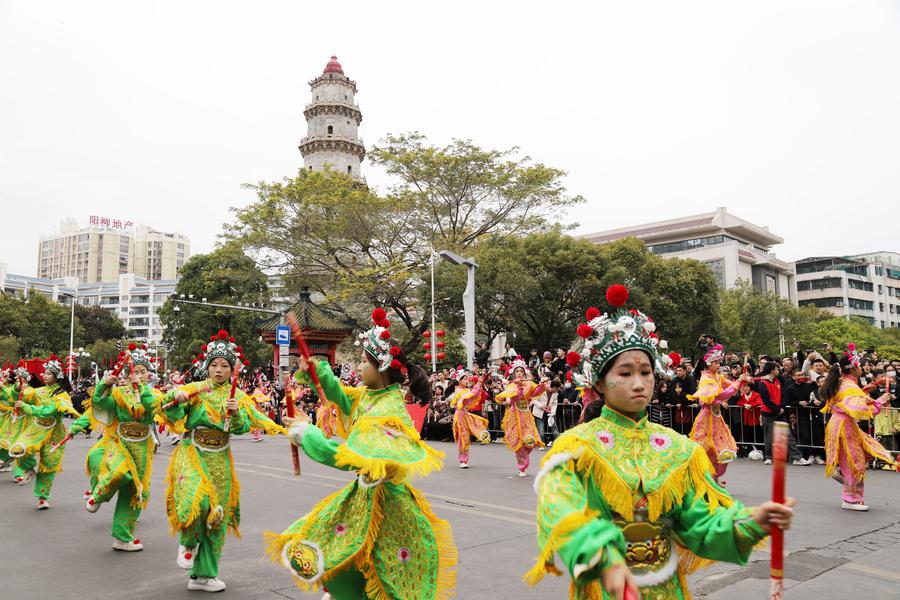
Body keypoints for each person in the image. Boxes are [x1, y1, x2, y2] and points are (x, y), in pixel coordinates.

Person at [526, 284, 795, 600]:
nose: (639, 383)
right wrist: (603, 558)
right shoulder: (575, 447)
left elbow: (698, 523)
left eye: (646, 372)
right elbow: (560, 508)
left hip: (668, 589)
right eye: (625, 374)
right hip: (606, 587)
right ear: (599, 381)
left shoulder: (678, 448)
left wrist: (752, 521)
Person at [267, 308, 456, 599]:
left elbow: (355, 455)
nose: (357, 367)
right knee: (332, 546)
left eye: (363, 362)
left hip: (387, 503)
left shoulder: (389, 412)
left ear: (380, 367)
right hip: (363, 495)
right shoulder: (371, 396)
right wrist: (317, 371)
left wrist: (308, 434)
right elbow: (342, 397)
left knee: (382, 569)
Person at [161, 330, 284, 592]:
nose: (219, 370)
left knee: (218, 516)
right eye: (214, 365)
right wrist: (176, 399)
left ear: (232, 369)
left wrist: (237, 415)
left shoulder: (238, 396)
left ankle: (203, 575)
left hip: (221, 458)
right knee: (198, 500)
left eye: (224, 365)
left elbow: (247, 426)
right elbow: (167, 411)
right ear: (207, 367)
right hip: (192, 451)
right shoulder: (195, 389)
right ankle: (189, 541)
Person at [79, 343, 163, 551]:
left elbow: (158, 408)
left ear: (149, 375)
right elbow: (99, 404)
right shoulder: (117, 394)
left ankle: (122, 537)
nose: (140, 375)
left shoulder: (153, 394)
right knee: (121, 473)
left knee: (134, 490)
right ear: (126, 374)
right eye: (136, 371)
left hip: (142, 449)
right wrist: (104, 386)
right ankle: (99, 493)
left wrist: (142, 391)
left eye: (144, 372)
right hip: (119, 443)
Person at [819, 344, 898, 511]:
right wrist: (880, 401)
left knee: (862, 454)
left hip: (840, 424)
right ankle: (851, 499)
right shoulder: (849, 386)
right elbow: (858, 409)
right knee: (855, 462)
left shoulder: (845, 383)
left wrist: (865, 391)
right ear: (854, 368)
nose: (862, 368)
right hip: (844, 426)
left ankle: (842, 475)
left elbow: (847, 402)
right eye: (860, 366)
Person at [4, 355, 79, 509]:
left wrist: (27, 407)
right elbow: (19, 396)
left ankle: (42, 497)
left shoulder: (62, 394)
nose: (44, 375)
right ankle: (29, 469)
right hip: (36, 428)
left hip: (54, 431)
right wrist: (18, 389)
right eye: (44, 373)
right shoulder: (39, 391)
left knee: (48, 466)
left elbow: (49, 411)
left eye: (48, 373)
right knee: (18, 448)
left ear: (57, 376)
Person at [688, 344, 742, 482]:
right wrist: (737, 385)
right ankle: (705, 478)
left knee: (722, 449)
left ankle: (713, 477)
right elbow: (718, 397)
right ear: (708, 364)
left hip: (717, 418)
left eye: (719, 362)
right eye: (716, 363)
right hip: (707, 418)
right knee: (706, 449)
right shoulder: (706, 379)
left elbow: (730, 384)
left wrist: (742, 380)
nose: (719, 365)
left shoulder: (717, 377)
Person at [495, 358, 548, 477]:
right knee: (517, 441)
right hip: (514, 415)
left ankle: (523, 455)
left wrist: (543, 384)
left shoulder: (529, 384)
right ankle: (521, 466)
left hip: (526, 415)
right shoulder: (511, 386)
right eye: (517, 371)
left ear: (524, 373)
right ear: (514, 373)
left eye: (521, 371)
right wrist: (512, 395)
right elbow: (508, 399)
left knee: (529, 440)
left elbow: (536, 392)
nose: (519, 373)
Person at [757, 362, 809, 466]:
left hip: (780, 412)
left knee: (788, 436)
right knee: (769, 436)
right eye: (776, 369)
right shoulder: (762, 383)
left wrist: (782, 407)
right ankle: (768, 457)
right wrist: (777, 409)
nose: (778, 370)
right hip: (768, 413)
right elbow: (765, 400)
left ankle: (797, 457)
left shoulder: (778, 380)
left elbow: (784, 395)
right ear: (772, 370)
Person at [449, 371, 491, 467]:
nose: (466, 380)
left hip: (466, 414)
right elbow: (472, 394)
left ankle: (481, 435)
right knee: (463, 436)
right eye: (464, 379)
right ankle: (463, 460)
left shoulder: (465, 390)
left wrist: (479, 384)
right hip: (459, 415)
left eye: (466, 378)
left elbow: (474, 395)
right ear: (459, 381)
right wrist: (479, 383)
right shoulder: (458, 390)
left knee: (467, 435)